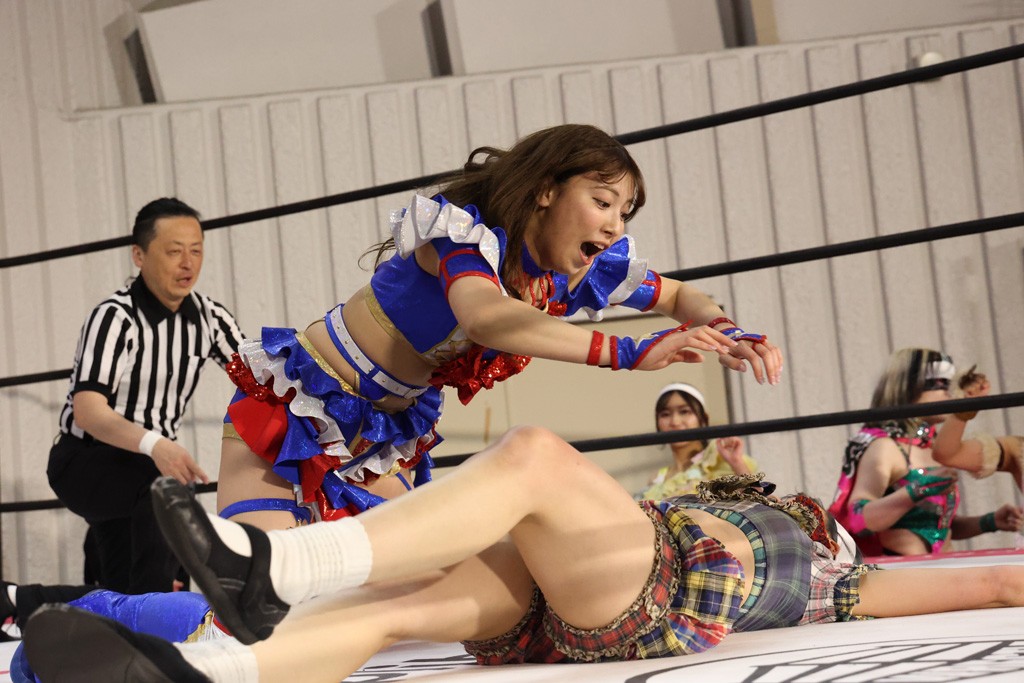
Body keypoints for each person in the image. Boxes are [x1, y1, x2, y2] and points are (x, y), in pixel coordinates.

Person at [23, 426, 1024, 682]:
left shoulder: (844, 574)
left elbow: (991, 578)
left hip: (656, 591)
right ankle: (206, 672)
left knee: (536, 454)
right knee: (396, 606)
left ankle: (272, 567)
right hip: (576, 580)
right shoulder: (733, 494)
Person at [213, 123, 783, 533]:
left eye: (624, 212)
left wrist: (729, 330)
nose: (615, 226)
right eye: (603, 201)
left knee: (418, 583)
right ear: (546, 190)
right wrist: (628, 351)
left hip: (379, 438)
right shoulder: (465, 236)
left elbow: (679, 295)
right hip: (297, 405)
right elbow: (486, 317)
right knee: (257, 590)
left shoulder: (572, 272)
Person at [47, 197, 246, 594]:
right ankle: (157, 612)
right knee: (166, 492)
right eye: (174, 251)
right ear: (139, 255)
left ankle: (29, 599)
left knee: (120, 584)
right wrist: (156, 444)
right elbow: (87, 411)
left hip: (146, 468)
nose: (187, 264)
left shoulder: (209, 318)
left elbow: (257, 378)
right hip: (85, 458)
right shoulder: (115, 317)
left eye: (196, 251)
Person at [828, 348, 1024, 557]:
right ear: (907, 387)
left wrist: (989, 521)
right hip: (903, 570)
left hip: (943, 565)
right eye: (940, 383)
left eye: (952, 384)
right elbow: (858, 518)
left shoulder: (934, 446)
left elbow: (937, 525)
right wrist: (917, 490)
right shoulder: (885, 447)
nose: (950, 392)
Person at [639, 382, 757, 500]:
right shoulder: (657, 479)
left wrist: (737, 463)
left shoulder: (719, 458)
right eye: (665, 414)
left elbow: (757, 500)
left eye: (684, 411)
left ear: (703, 419)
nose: (675, 422)